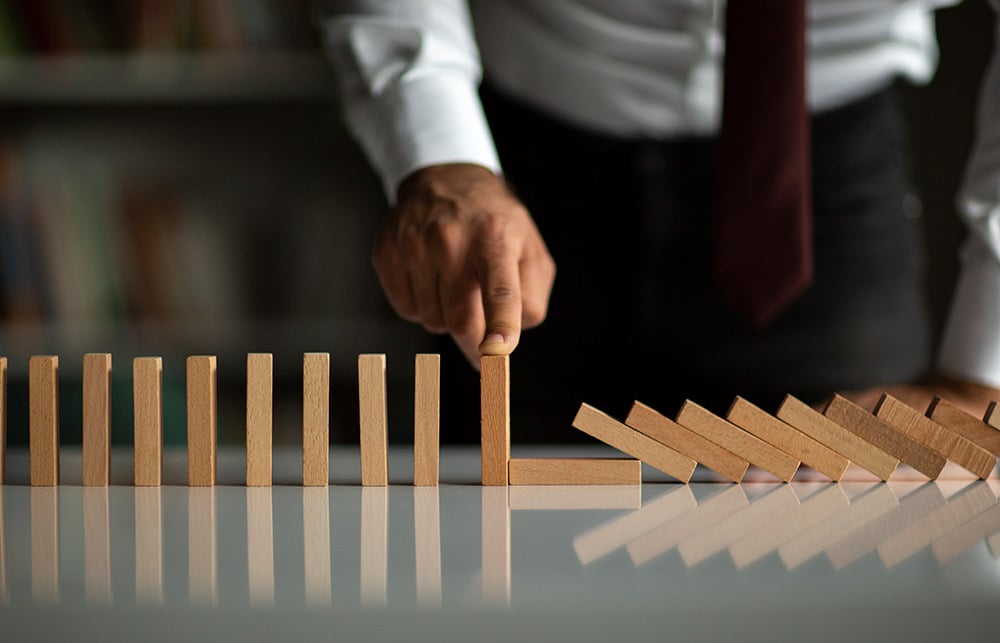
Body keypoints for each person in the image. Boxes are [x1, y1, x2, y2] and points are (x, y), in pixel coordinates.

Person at [322, 0, 1000, 438]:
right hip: (520, 165)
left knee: (842, 580)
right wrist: (440, 151)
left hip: (819, 187)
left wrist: (981, 374)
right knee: (496, 581)